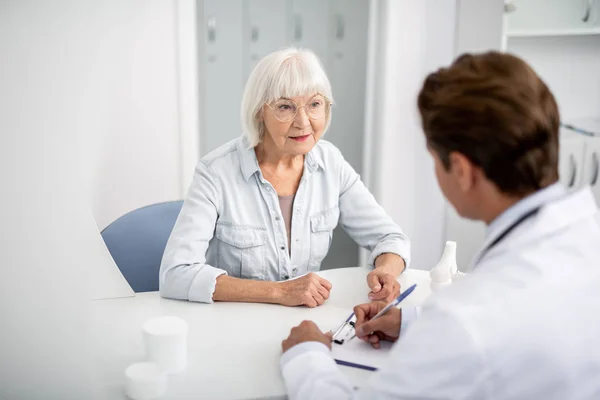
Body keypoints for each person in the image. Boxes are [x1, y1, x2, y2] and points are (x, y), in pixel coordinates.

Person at [279, 52, 600, 399]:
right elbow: (533, 323)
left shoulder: (464, 320)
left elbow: (480, 328)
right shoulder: (585, 233)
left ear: (461, 171)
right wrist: (412, 322)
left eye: (434, 160)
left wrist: (307, 355)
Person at [159, 48, 410, 306]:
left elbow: (390, 238)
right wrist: (279, 292)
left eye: (314, 104)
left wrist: (386, 271)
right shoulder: (216, 172)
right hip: (234, 323)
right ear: (259, 112)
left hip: (303, 321)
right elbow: (175, 274)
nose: (303, 122)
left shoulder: (330, 163)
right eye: (285, 107)